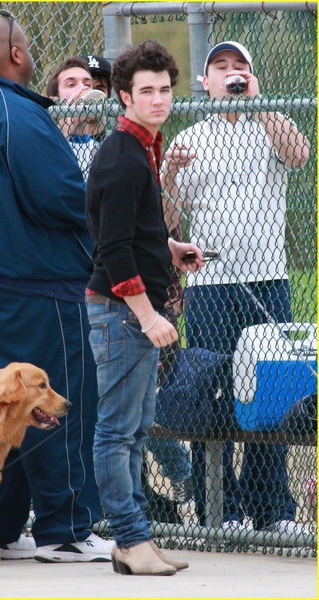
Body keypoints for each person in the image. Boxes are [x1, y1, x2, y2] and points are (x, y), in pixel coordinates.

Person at [0, 11, 113, 564]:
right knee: (53, 406)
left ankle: (1, 528)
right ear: (13, 53)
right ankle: (67, 530)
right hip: (31, 287)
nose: (32, 56)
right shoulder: (20, 114)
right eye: (27, 47)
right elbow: (62, 199)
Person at [164, 41, 310, 535]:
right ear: (203, 83)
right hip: (211, 282)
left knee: (271, 393)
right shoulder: (192, 137)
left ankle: (273, 509)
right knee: (216, 393)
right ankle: (219, 508)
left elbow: (300, 155)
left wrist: (259, 100)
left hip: (268, 277)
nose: (230, 74)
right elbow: (168, 220)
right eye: (220, 68)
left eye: (239, 67)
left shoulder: (270, 126)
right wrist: (168, 176)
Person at [85, 40, 205, 576]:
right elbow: (110, 250)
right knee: (116, 431)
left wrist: (171, 250)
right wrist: (147, 315)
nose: (159, 100)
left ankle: (135, 542)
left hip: (132, 310)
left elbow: (133, 231)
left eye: (164, 90)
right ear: (124, 96)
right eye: (146, 92)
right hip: (121, 314)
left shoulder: (145, 147)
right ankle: (131, 541)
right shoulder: (121, 157)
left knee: (136, 431)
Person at [46, 56, 101, 178]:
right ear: (55, 101)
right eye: (71, 84)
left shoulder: (100, 150)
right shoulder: (45, 143)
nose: (82, 89)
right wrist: (69, 122)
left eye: (87, 84)